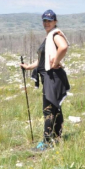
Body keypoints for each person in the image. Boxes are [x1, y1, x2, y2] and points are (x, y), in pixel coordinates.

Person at [21, 9, 70, 151]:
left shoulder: (55, 34)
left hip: (52, 77)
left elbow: (64, 47)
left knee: (48, 110)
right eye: (45, 20)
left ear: (55, 21)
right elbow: (42, 60)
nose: (46, 23)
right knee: (55, 108)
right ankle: (57, 137)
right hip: (51, 77)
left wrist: (55, 62)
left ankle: (47, 142)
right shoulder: (49, 37)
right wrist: (29, 66)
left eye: (49, 20)